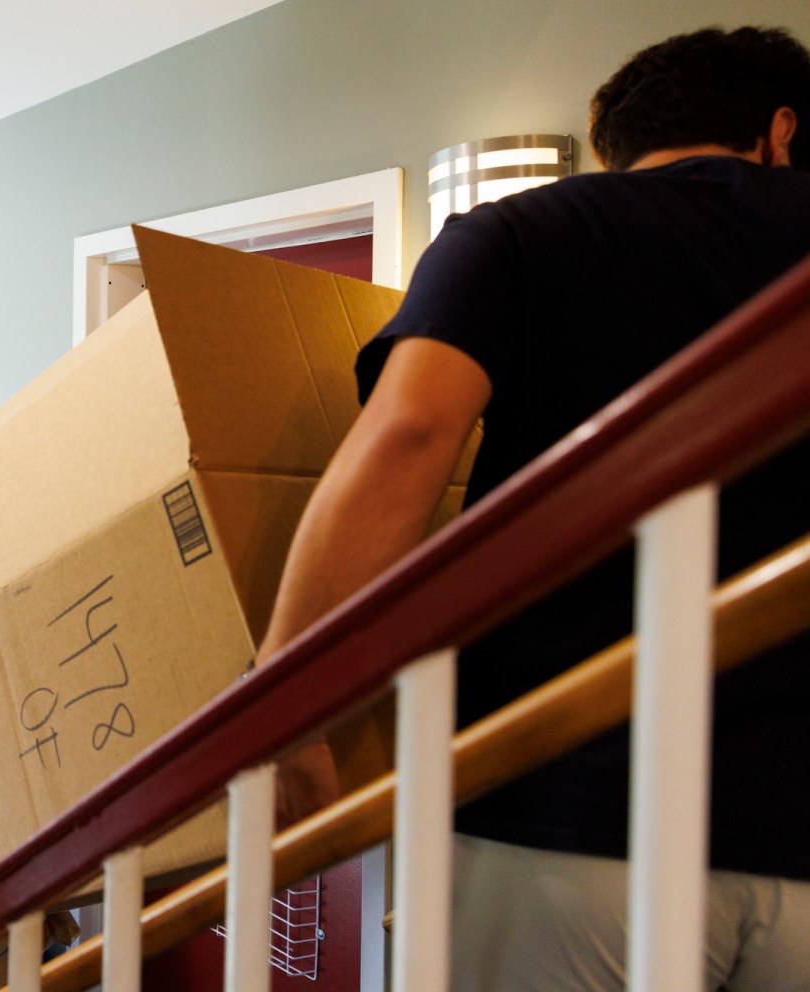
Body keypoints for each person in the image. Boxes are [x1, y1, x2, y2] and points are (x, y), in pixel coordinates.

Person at [256, 26, 810, 990]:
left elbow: (409, 438)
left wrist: (288, 718)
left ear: (618, 146)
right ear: (780, 130)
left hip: (562, 805)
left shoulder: (520, 231)